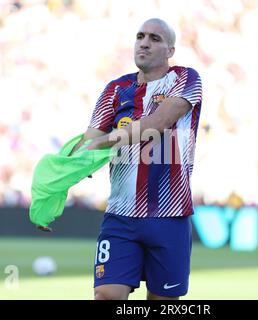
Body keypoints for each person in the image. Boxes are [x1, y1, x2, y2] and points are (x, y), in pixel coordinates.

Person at [73, 18, 202, 300]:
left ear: (170, 50)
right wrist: (48, 200)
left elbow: (157, 123)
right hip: (120, 216)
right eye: (140, 36)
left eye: (155, 38)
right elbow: (86, 144)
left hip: (170, 216)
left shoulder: (186, 79)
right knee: (106, 295)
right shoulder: (115, 90)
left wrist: (101, 142)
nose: (144, 42)